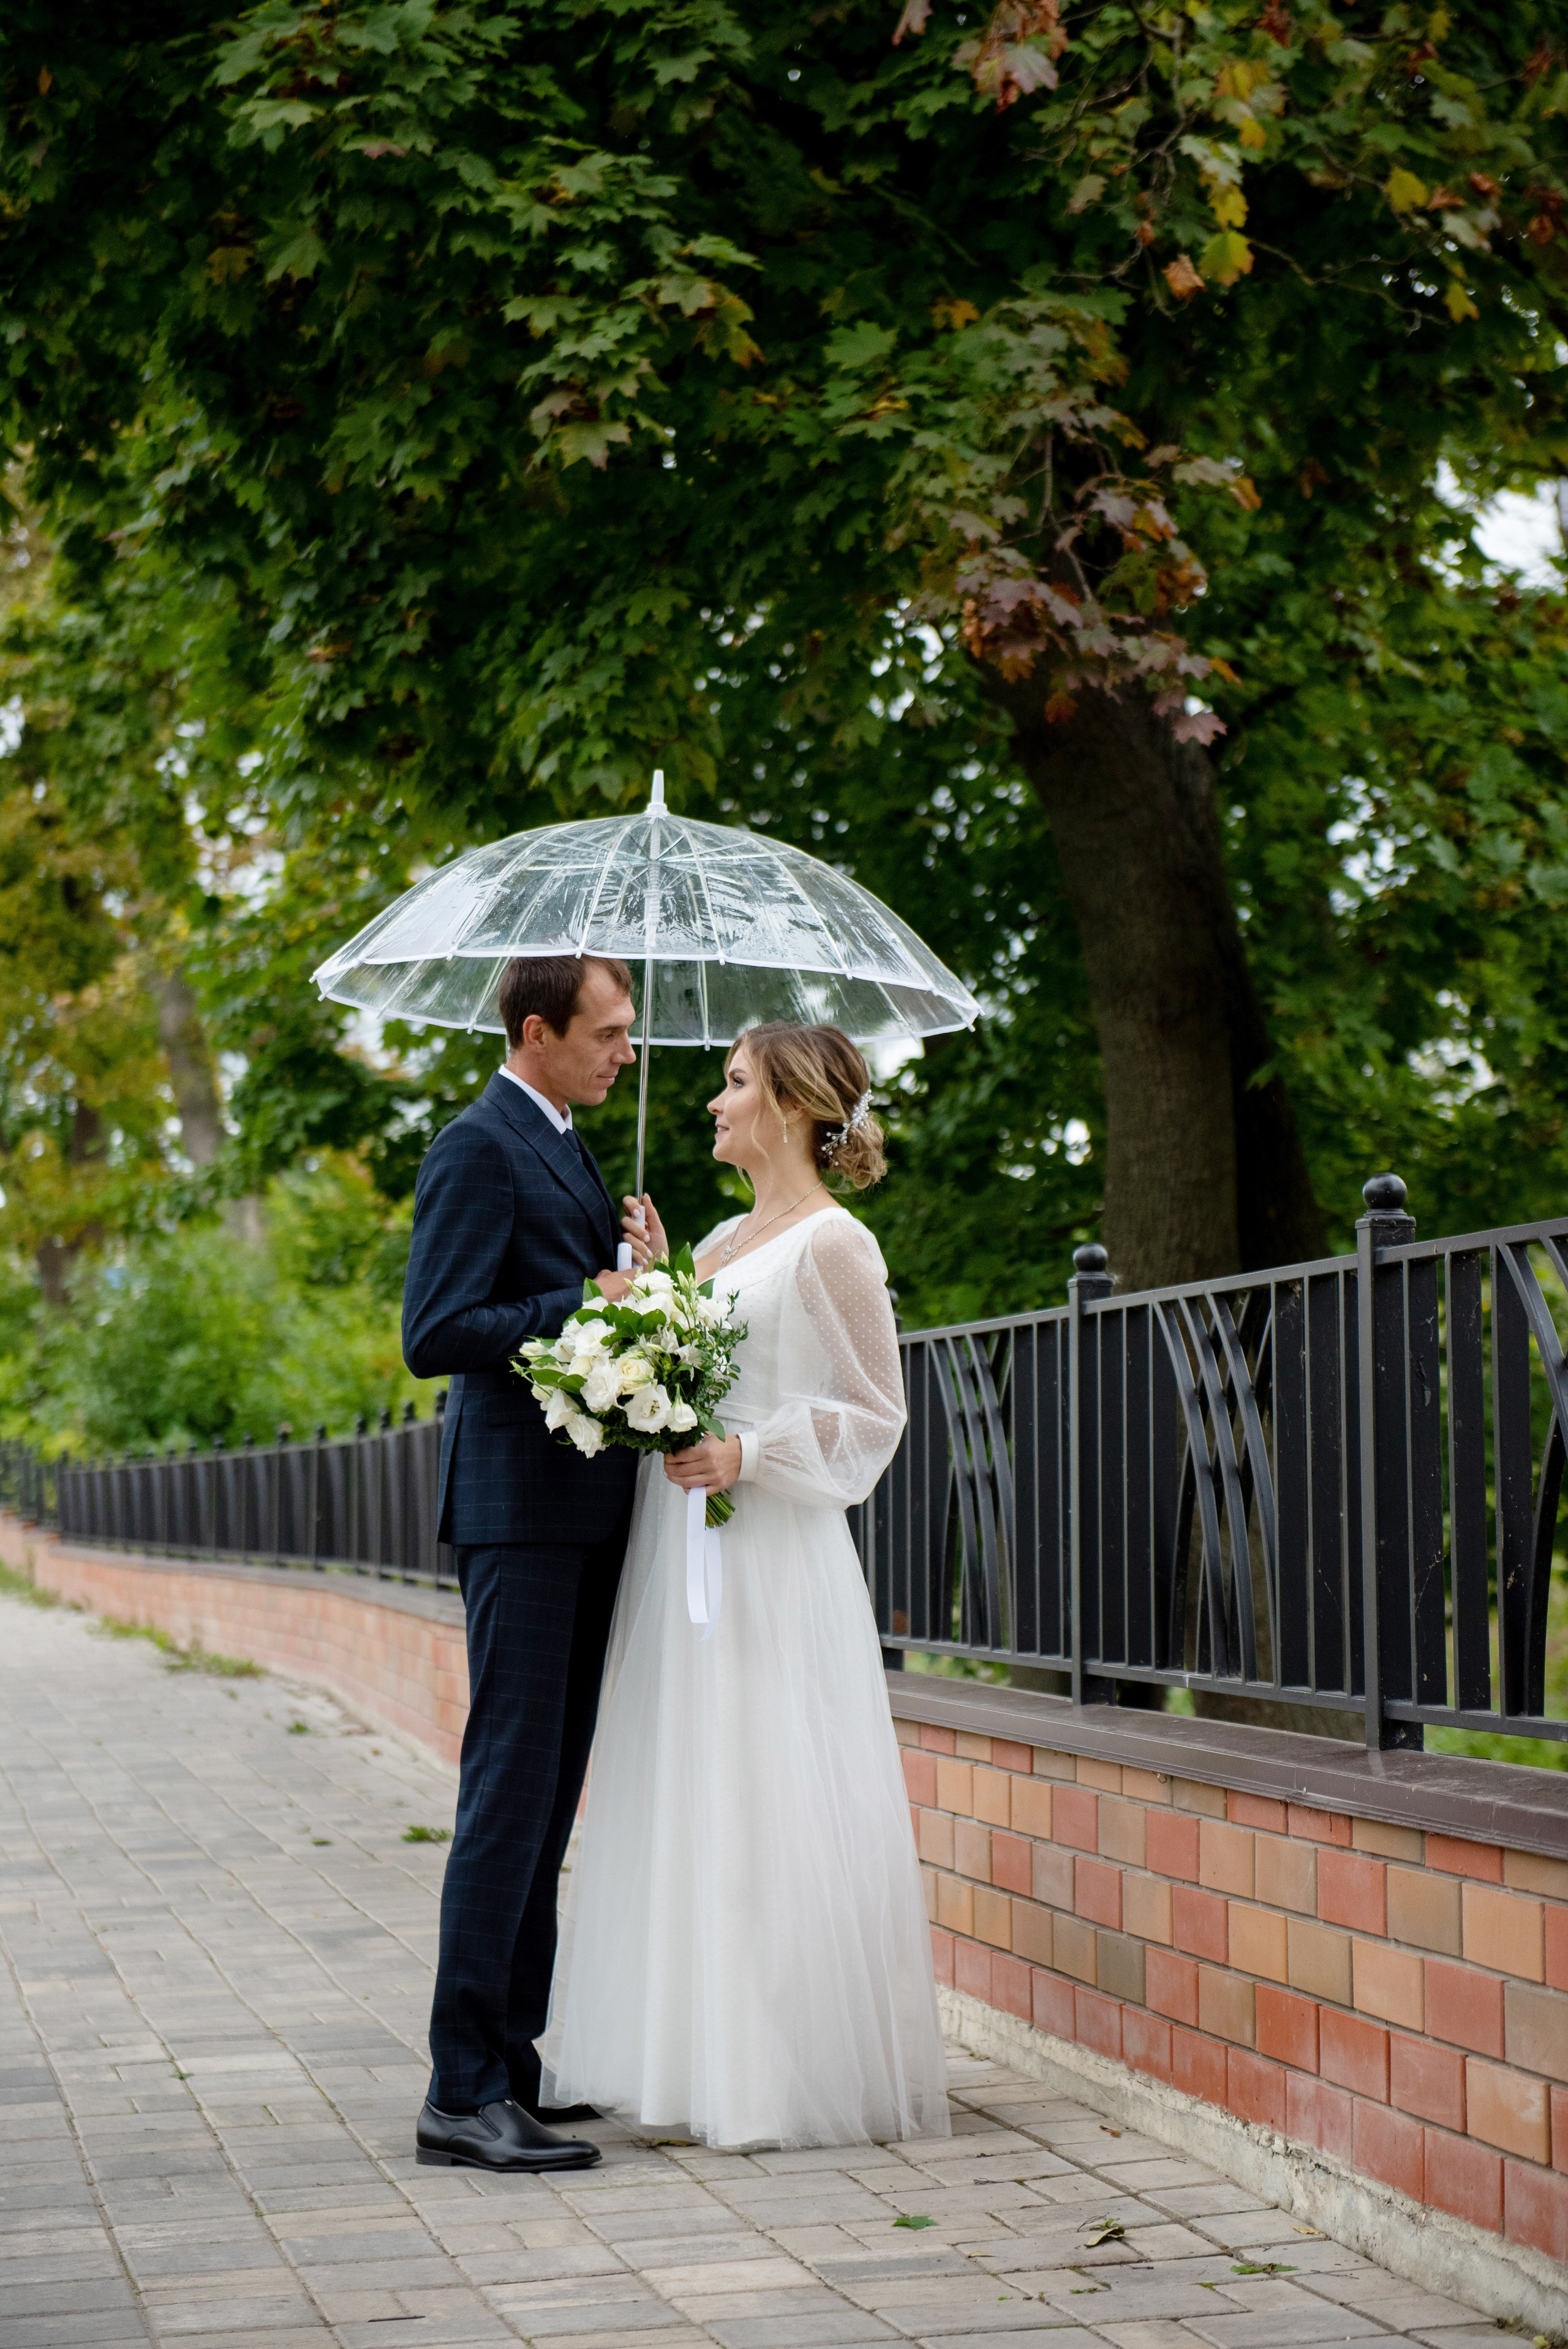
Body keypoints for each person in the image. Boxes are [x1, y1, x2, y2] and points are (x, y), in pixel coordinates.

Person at [540, 1021, 950, 2149]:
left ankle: (774, 2074)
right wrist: (668, 1278)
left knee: (766, 1786)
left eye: (732, 1084)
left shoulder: (836, 1246)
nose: (713, 1103)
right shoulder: (726, 1235)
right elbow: (705, 1358)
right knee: (695, 1782)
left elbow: (877, 1413)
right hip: (687, 1550)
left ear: (788, 1105)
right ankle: (691, 2061)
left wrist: (749, 1457)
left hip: (770, 1552)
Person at [401, 952, 642, 2174]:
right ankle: (459, 2089)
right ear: (537, 1030)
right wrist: (576, 1297)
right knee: (506, 1794)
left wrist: (634, 1276)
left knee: (548, 1800)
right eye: (605, 1032)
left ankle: (516, 2065)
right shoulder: (475, 1144)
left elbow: (578, 1299)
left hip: (584, 1508)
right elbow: (434, 1332)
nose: (625, 1052)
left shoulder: (567, 1137)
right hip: (517, 1511)